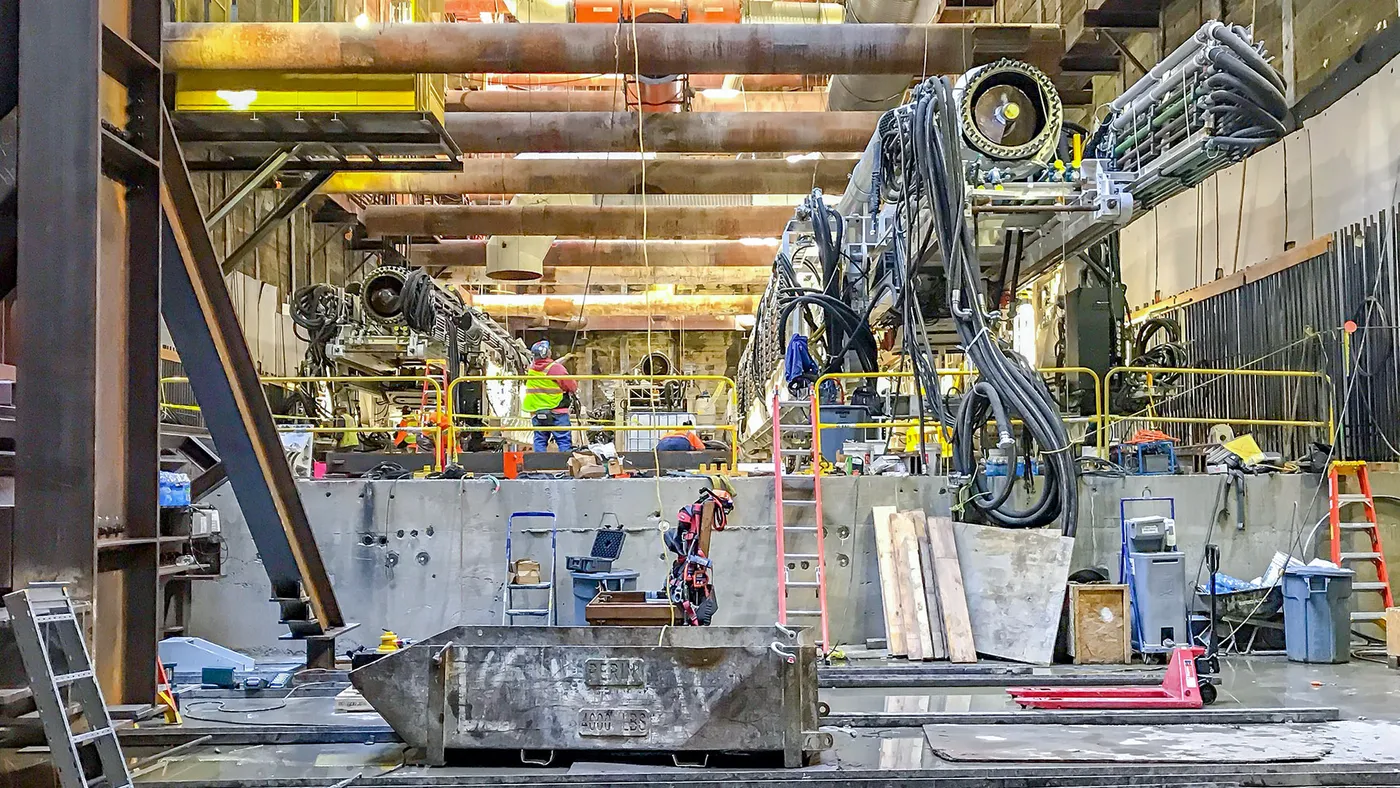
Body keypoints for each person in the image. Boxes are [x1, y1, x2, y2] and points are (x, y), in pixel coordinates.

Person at [522, 340, 577, 452]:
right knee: (563, 440)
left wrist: (565, 358)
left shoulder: (532, 368)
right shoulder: (556, 369)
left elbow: (548, 366)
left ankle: (539, 466)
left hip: (537, 411)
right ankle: (567, 464)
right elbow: (572, 386)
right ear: (547, 353)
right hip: (556, 410)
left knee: (540, 440)